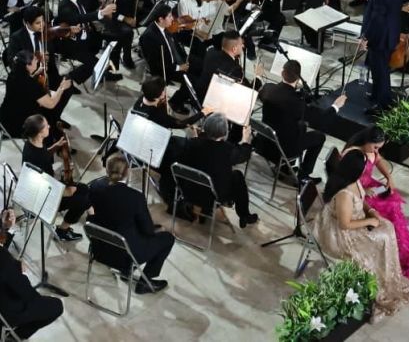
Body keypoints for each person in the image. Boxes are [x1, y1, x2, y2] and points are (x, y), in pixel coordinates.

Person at [315, 150, 409, 320]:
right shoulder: (344, 194)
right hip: (342, 236)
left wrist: (372, 211)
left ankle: (389, 277)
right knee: (381, 238)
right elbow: (344, 225)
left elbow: (361, 199)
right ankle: (378, 284)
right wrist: (369, 221)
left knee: (387, 227)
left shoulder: (353, 180)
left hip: (355, 222)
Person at [335, 127, 409, 278]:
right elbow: (346, 179)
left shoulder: (371, 150)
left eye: (379, 148)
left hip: (369, 185)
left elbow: (378, 160)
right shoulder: (352, 155)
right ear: (367, 141)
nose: (376, 151)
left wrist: (389, 177)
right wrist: (363, 190)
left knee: (393, 198)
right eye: (375, 147)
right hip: (357, 190)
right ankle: (389, 246)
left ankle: (400, 246)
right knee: (389, 206)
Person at [0, 209, 63, 337]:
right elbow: (26, 293)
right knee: (57, 306)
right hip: (1, 316)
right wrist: (22, 274)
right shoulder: (5, 261)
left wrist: (5, 228)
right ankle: (16, 335)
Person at [87, 155, 175, 294]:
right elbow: (147, 231)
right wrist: (158, 229)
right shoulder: (135, 197)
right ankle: (145, 283)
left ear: (107, 169)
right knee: (168, 238)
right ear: (127, 172)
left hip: (99, 249)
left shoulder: (94, 187)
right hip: (126, 256)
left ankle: (127, 270)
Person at [178, 113, 258, 228]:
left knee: (206, 169)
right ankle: (244, 215)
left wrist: (196, 137)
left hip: (188, 191)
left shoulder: (191, 143)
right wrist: (246, 140)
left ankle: (205, 210)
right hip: (213, 195)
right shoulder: (227, 150)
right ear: (225, 132)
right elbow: (243, 155)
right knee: (237, 176)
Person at [21, 114, 89, 242]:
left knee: (84, 188)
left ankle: (91, 213)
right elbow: (46, 187)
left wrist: (56, 146)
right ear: (40, 133)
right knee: (83, 199)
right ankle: (62, 231)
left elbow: (44, 154)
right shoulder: (39, 158)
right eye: (46, 126)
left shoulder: (31, 143)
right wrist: (67, 192)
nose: (49, 126)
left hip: (43, 186)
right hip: (43, 199)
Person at [258, 60, 326, 181]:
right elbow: (316, 118)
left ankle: (285, 168)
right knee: (319, 137)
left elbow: (270, 94)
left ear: (282, 73)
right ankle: (303, 176)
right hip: (282, 150)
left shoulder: (268, 89)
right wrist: (335, 107)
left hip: (263, 143)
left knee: (300, 126)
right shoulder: (296, 102)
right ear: (298, 79)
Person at [359, 0, 402, 114]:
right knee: (380, 69)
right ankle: (377, 95)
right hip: (390, 34)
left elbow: (376, 19)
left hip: (380, 38)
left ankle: (382, 104)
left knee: (380, 71)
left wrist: (365, 37)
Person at [0, 50, 73, 137]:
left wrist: (36, 73)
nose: (37, 61)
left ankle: (54, 124)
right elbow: (51, 104)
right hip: (17, 126)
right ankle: (52, 134)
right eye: (35, 60)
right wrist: (62, 87)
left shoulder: (14, 74)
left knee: (47, 108)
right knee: (52, 107)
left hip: (5, 118)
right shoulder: (30, 84)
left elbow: (24, 88)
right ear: (28, 65)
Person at [139, 8, 194, 114]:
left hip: (176, 61)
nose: (172, 19)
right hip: (165, 69)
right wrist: (179, 67)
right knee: (191, 81)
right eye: (169, 16)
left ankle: (187, 95)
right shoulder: (149, 36)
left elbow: (175, 47)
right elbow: (156, 63)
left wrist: (184, 59)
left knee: (199, 67)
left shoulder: (165, 28)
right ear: (161, 19)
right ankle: (175, 102)